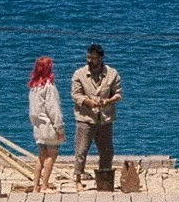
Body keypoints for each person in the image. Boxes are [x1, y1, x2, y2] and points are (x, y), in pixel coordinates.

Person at [70, 43, 121, 187]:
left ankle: (104, 179)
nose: (89, 61)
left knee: (107, 152)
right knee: (81, 150)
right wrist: (87, 102)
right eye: (87, 57)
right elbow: (75, 95)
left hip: (105, 118)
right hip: (85, 118)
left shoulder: (112, 74)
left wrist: (108, 101)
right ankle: (78, 180)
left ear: (100, 58)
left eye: (93, 58)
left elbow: (118, 94)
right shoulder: (79, 74)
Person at [26, 56, 63, 192]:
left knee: (41, 156)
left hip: (37, 127)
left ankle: (36, 185)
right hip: (49, 127)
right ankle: (45, 185)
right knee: (51, 156)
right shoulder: (49, 87)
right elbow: (54, 110)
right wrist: (60, 129)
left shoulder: (33, 88)